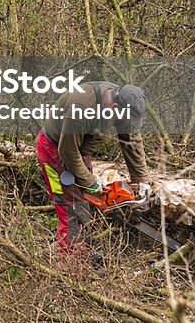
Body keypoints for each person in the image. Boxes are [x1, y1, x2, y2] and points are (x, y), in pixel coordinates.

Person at [35, 80, 152, 258]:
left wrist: (141, 180)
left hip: (77, 151)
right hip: (53, 151)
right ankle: (71, 264)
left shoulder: (120, 103)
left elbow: (131, 140)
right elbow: (67, 150)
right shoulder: (80, 106)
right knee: (71, 207)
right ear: (114, 107)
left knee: (85, 201)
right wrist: (91, 183)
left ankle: (82, 250)